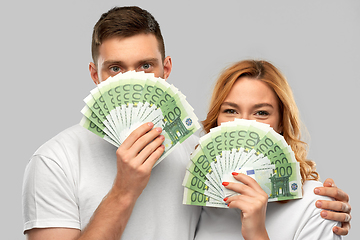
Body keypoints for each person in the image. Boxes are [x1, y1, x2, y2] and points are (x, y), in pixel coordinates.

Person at [22, 6, 351, 240]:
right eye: (115, 68)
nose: (132, 81)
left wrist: (319, 202)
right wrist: (124, 190)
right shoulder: (54, 161)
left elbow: (262, 171)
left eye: (146, 65)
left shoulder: (198, 145)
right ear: (95, 75)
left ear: (166, 70)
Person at [196, 59, 349, 239]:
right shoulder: (200, 199)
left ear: (281, 123)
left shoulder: (316, 205)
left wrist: (258, 234)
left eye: (261, 113)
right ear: (216, 120)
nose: (244, 125)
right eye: (231, 110)